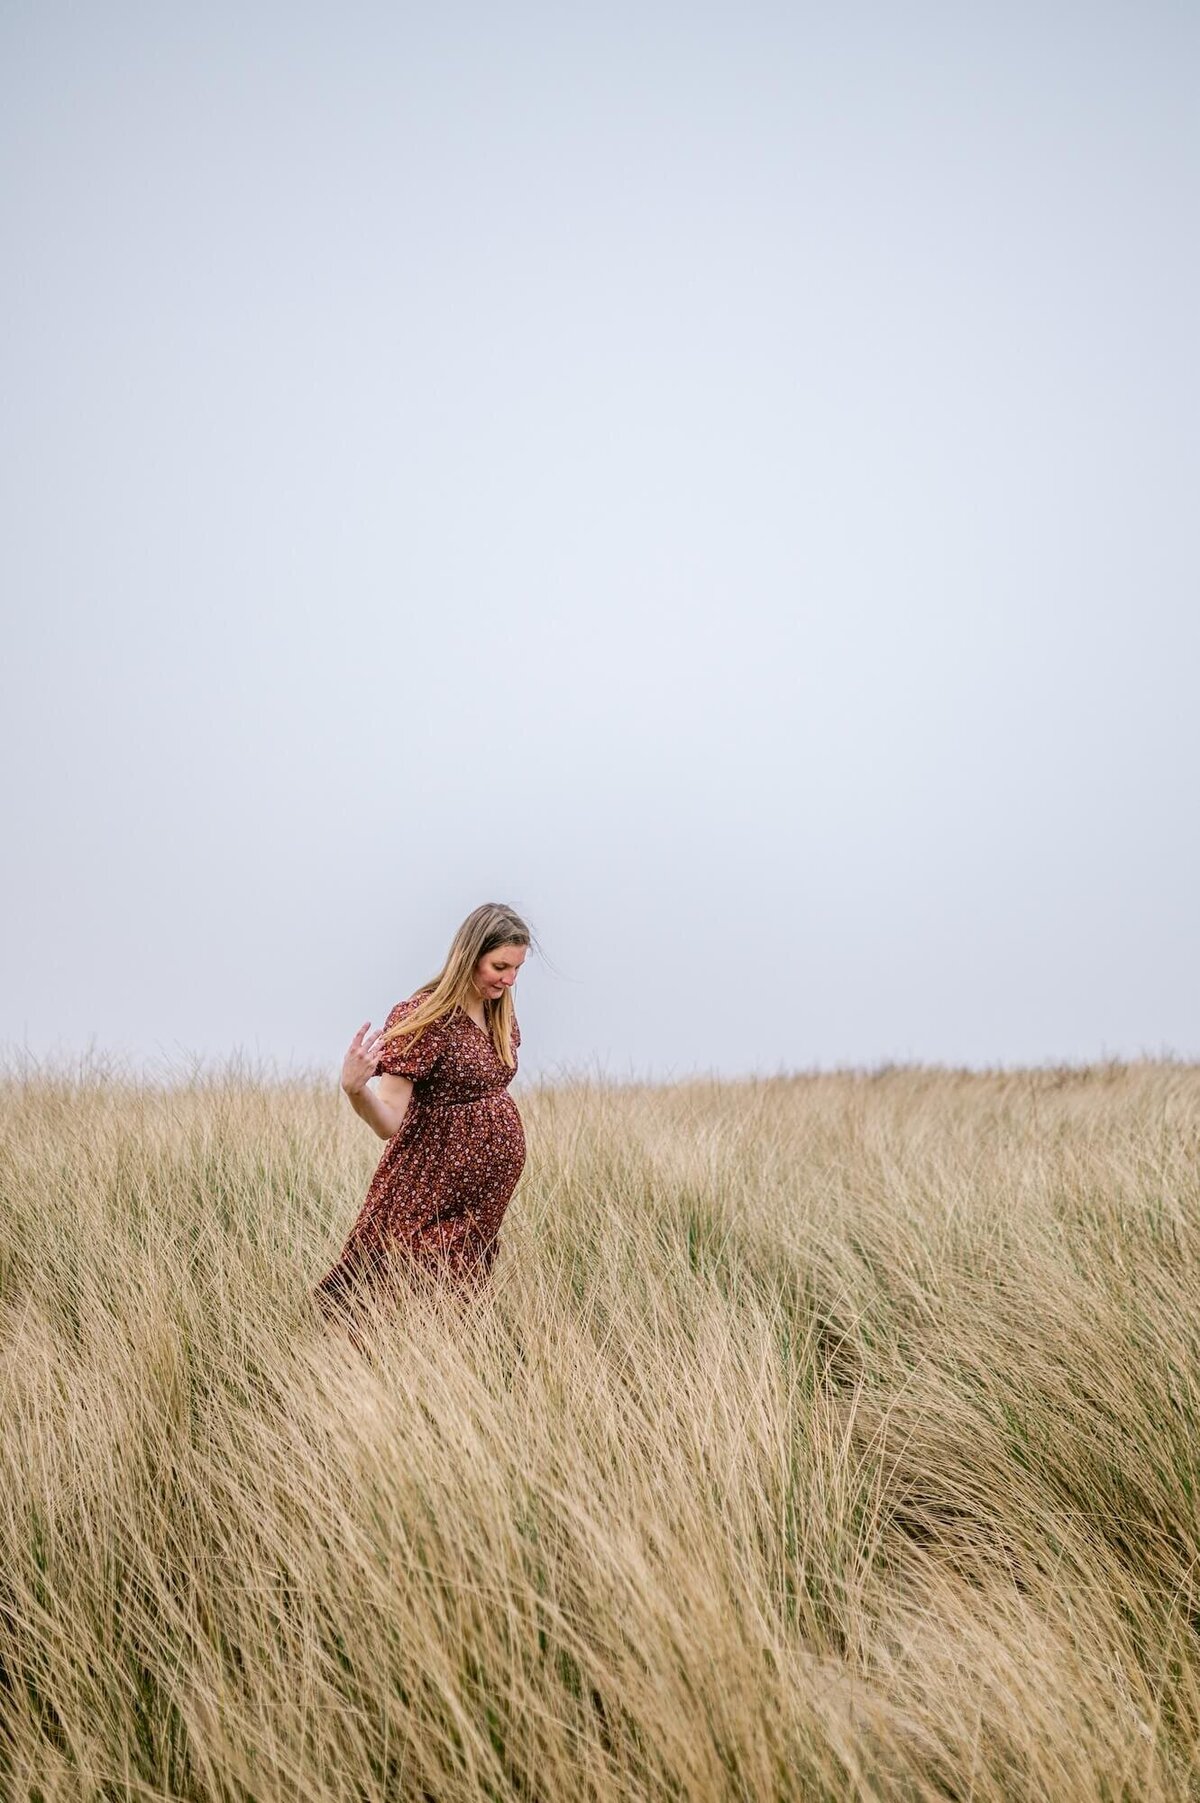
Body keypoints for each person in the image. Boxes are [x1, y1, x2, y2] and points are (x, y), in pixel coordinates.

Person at [312, 903, 532, 1335]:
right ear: (470, 955)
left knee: (456, 1304)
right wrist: (356, 1089)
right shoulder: (424, 1017)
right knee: (401, 1288)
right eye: (500, 966)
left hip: (479, 1205)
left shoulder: (498, 1013)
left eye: (517, 969)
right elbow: (388, 1121)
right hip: (427, 1186)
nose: (509, 980)